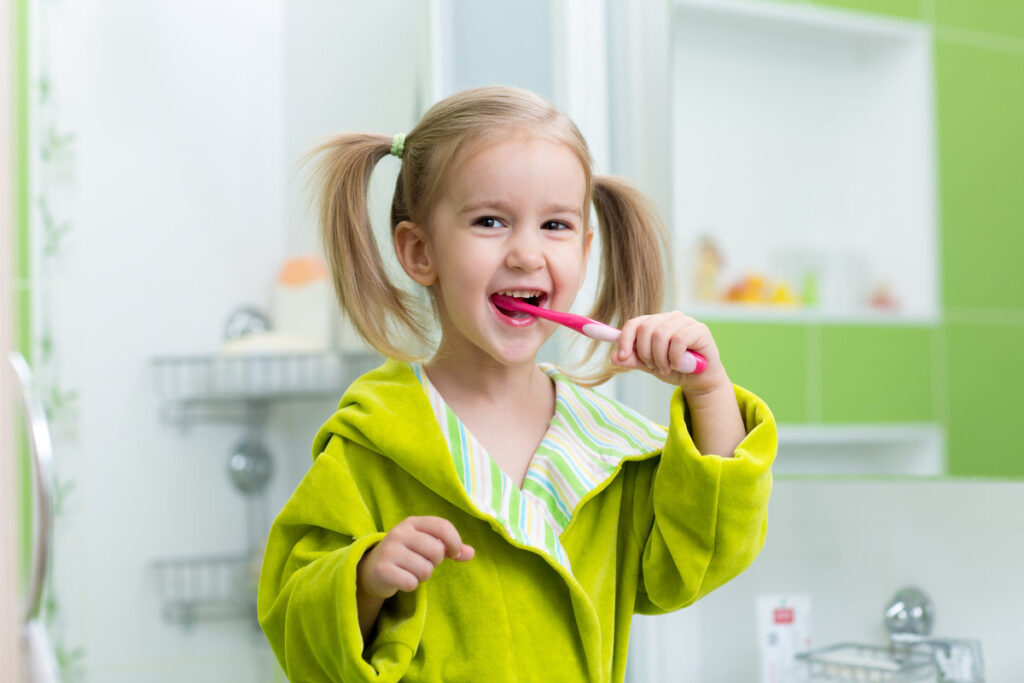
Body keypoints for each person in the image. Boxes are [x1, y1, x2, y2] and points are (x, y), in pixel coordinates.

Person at [257, 86, 776, 682]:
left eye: (555, 225)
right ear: (419, 251)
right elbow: (294, 622)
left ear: (583, 252)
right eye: (490, 221)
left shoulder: (608, 448)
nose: (528, 254)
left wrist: (708, 392)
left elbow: (702, 556)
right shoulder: (370, 445)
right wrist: (366, 578)